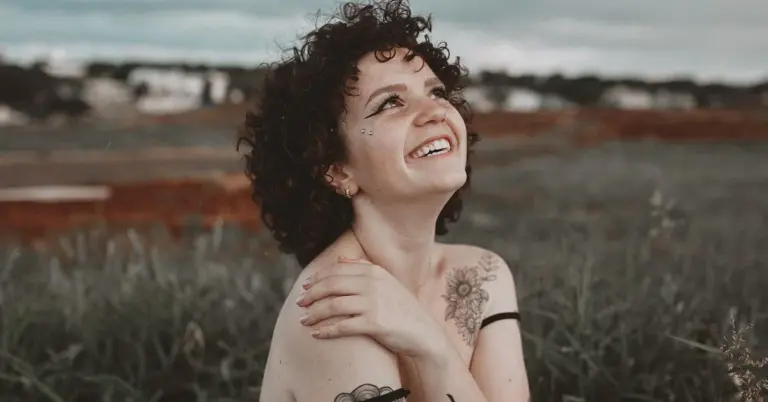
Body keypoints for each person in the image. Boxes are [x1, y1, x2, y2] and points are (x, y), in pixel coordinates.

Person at [237, 1, 529, 400]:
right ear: (335, 169)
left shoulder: (483, 275)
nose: (435, 112)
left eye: (437, 92)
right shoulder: (335, 307)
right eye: (390, 102)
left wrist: (430, 347)